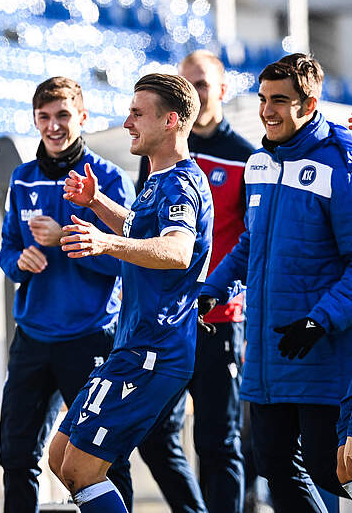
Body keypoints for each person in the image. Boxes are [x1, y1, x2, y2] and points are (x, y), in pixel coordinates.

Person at [47, 73, 213, 513]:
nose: (127, 123)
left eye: (138, 113)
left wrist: (105, 243)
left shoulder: (181, 184)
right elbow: (140, 230)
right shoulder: (158, 180)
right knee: (60, 458)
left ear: (171, 121)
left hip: (155, 351)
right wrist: (97, 203)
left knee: (81, 470)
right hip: (133, 346)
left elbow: (176, 250)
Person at [199, 53, 352, 511]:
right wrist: (213, 289)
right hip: (269, 354)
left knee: (327, 469)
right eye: (263, 98)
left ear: (310, 104)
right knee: (273, 464)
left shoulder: (340, 165)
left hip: (321, 355)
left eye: (280, 101)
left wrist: (319, 321)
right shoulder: (260, 163)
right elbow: (251, 244)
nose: (267, 110)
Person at [0, 77, 135, 513]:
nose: (53, 126)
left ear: (83, 117)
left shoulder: (108, 178)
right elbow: (6, 251)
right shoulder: (22, 179)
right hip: (32, 336)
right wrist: (19, 261)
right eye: (44, 117)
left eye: (62, 115)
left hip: (90, 335)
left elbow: (128, 261)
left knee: (103, 459)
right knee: (16, 455)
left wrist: (64, 240)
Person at [136, 50, 254, 513]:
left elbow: (252, 243)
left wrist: (225, 293)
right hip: (168, 321)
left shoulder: (247, 158)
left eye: (202, 84)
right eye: (187, 85)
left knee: (217, 443)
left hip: (218, 319)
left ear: (222, 89)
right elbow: (143, 230)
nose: (195, 94)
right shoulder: (158, 154)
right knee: (152, 435)